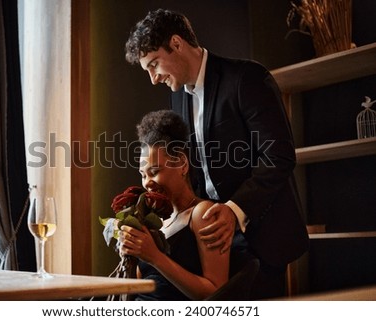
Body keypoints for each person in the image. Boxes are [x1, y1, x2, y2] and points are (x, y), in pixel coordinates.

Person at [125, 8, 309, 299]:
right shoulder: (177, 95)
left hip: (263, 235)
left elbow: (279, 156)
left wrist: (234, 211)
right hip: (209, 239)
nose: (153, 78)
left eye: (154, 64)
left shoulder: (246, 77)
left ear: (176, 44)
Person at [119, 109, 233, 300]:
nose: (147, 182)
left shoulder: (202, 214)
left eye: (154, 171)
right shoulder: (155, 221)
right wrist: (128, 255)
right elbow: (139, 286)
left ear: (181, 163)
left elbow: (216, 293)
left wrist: (155, 256)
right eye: (143, 174)